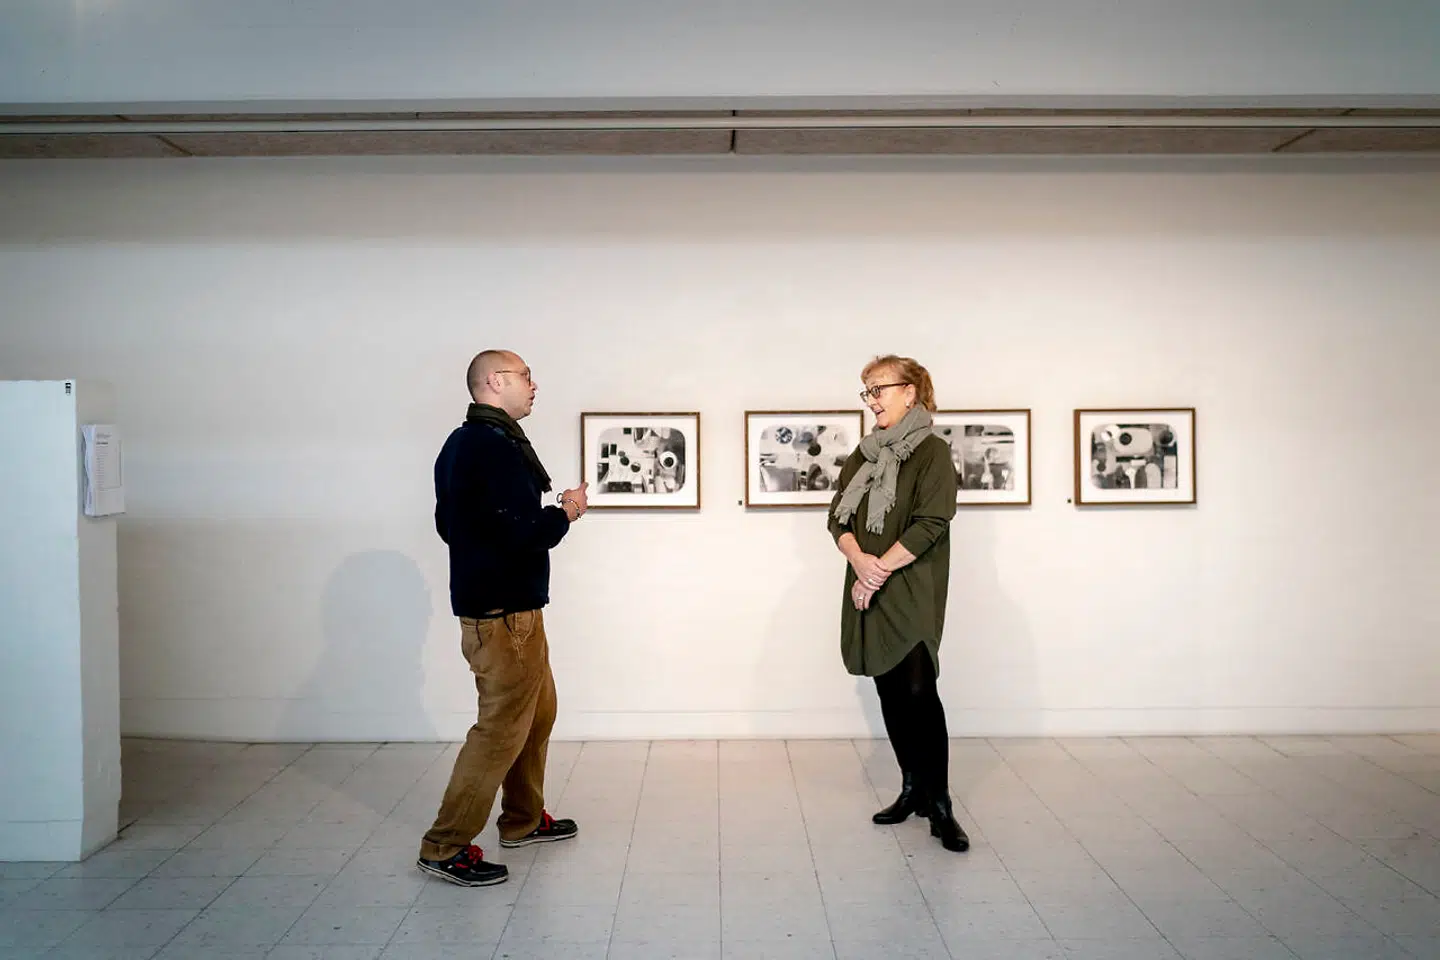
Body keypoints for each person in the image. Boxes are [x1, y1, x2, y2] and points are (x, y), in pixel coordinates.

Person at [416, 349, 589, 887]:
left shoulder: (467, 444)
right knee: (499, 730)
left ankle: (520, 820)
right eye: (526, 376)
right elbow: (520, 533)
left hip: (512, 609)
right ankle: (444, 845)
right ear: (495, 381)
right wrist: (565, 512)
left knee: (536, 716)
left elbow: (455, 526)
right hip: (502, 614)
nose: (534, 385)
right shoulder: (490, 447)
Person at [828, 354, 970, 853]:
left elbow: (931, 523)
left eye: (878, 389)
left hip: (910, 587)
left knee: (918, 691)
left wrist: (876, 570)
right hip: (868, 583)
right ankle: (911, 789)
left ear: (910, 391)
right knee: (888, 691)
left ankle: (941, 804)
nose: (871, 400)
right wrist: (858, 561)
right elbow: (836, 520)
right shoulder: (863, 456)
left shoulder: (931, 453)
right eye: (865, 391)